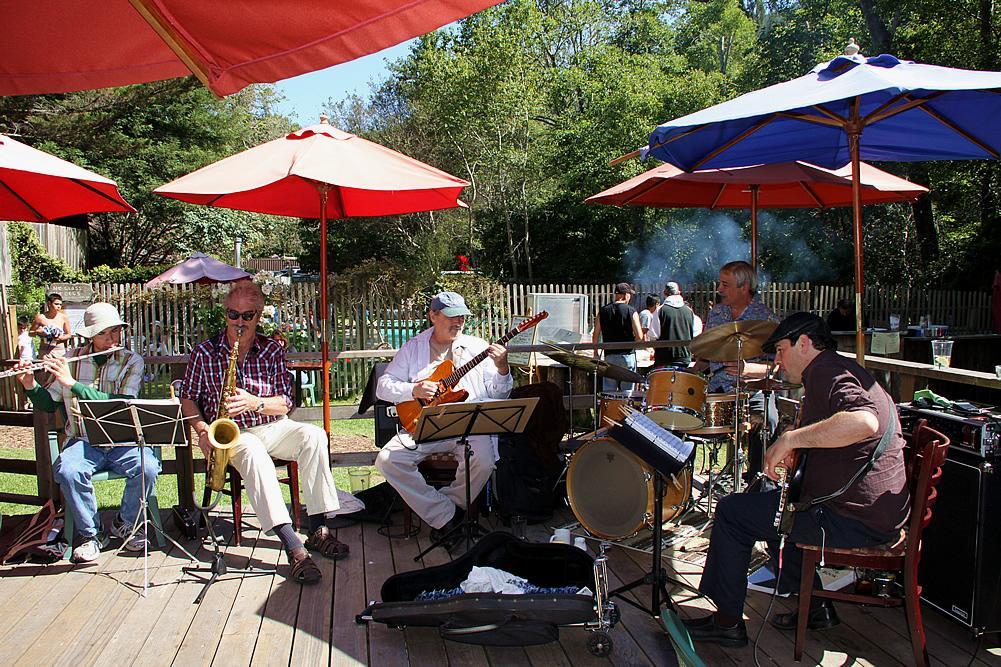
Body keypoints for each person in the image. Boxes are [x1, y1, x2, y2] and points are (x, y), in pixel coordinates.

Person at [684, 313, 909, 647]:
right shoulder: (837, 368)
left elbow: (864, 422)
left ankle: (727, 622)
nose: (777, 359)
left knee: (733, 513)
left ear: (804, 343)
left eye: (781, 350)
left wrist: (790, 441)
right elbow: (831, 421)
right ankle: (817, 606)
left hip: (853, 520)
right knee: (780, 506)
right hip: (872, 513)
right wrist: (796, 436)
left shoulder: (825, 372)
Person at [178, 281, 362, 585]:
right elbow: (188, 397)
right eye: (232, 314)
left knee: (314, 436)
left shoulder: (272, 350)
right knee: (252, 452)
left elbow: (285, 402)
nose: (239, 322)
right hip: (233, 433)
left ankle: (318, 528)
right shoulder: (205, 352)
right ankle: (292, 545)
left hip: (271, 425)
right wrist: (200, 431)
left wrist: (255, 402)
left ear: (258, 316)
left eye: (247, 316)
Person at [14, 303, 154, 563]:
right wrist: (30, 385)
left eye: (115, 331)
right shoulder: (69, 359)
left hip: (121, 439)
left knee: (148, 468)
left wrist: (73, 385)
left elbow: (121, 402)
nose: (112, 339)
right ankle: (91, 534)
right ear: (90, 335)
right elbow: (48, 403)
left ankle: (125, 522)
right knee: (68, 471)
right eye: (104, 334)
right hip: (83, 439)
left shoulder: (131, 360)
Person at [375, 291, 512, 547]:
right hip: (425, 425)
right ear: (433, 315)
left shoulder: (477, 347)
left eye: (461, 316)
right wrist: (412, 390)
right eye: (451, 316)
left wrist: (503, 368)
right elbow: (383, 386)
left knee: (483, 461)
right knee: (387, 460)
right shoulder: (413, 347)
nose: (458, 322)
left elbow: (499, 394)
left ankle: (447, 515)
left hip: (469, 426)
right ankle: (451, 517)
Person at [591, 282, 643, 391]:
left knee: (609, 392)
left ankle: (610, 408)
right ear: (626, 295)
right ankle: (625, 407)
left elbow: (595, 335)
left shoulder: (603, 311)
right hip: (627, 355)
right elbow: (639, 336)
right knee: (627, 392)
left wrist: (595, 353)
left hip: (609, 356)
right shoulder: (631, 311)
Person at [649, 281, 697, 370]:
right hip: (684, 358)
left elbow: (653, 334)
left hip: (664, 358)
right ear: (679, 293)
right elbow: (696, 332)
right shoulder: (689, 311)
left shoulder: (660, 311)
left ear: (664, 292)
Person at [31, 293, 72, 385]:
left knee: (59, 374)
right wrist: (40, 332)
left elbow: (69, 334)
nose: (58, 307)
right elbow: (31, 333)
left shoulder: (63, 317)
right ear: (49, 303)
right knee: (43, 375)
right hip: (45, 350)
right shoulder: (40, 317)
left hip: (59, 350)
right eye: (56, 304)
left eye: (60, 304)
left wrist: (60, 337)